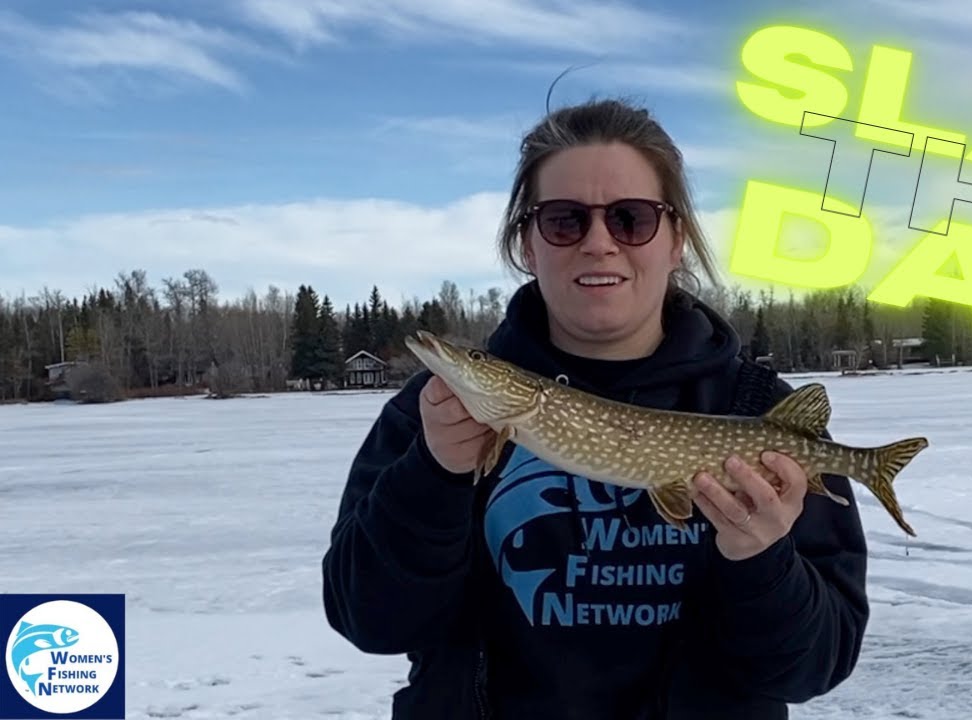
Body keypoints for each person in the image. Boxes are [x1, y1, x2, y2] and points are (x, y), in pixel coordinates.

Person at [322, 96, 871, 719]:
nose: (599, 244)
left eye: (631, 219)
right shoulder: (432, 416)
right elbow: (368, 621)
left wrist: (761, 560)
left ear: (675, 242)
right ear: (527, 244)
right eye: (564, 221)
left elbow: (814, 666)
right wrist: (434, 473)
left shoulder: (754, 412)